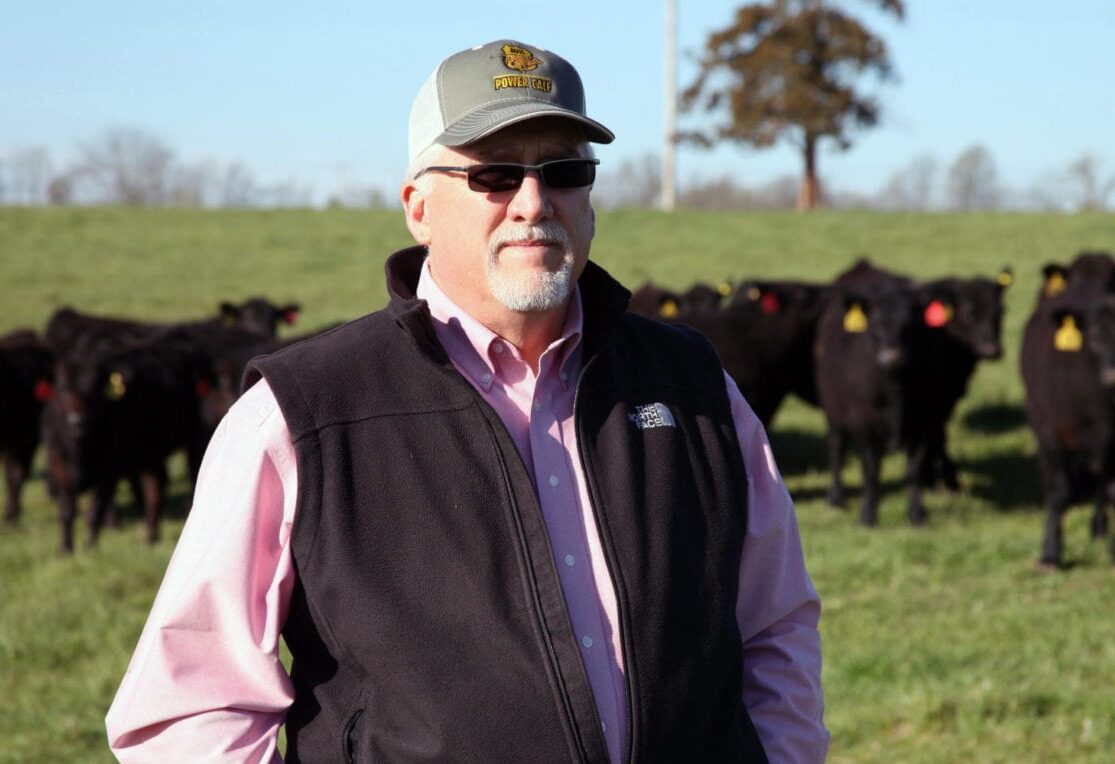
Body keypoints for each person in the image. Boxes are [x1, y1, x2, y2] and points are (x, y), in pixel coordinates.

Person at [106, 39, 828, 762]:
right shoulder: (302, 413)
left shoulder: (692, 384)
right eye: (494, 175)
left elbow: (772, 626)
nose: (534, 203)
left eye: (565, 171)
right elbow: (189, 710)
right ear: (418, 206)